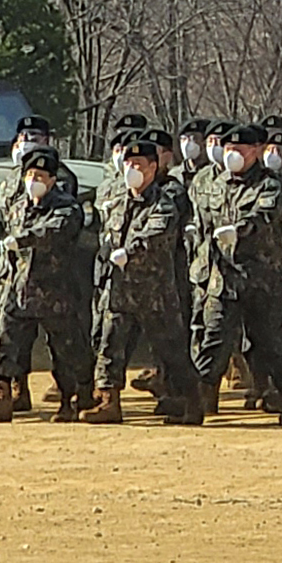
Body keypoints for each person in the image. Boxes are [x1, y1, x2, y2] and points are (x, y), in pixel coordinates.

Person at [91, 127, 203, 425]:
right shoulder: (116, 203)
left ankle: (190, 400)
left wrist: (130, 251)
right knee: (110, 343)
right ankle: (108, 400)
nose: (133, 169)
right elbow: (106, 235)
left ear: (154, 167)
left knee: (170, 349)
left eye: (139, 164)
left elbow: (156, 234)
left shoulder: (163, 203)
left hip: (154, 291)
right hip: (119, 290)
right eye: (129, 164)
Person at [194, 120, 282, 425]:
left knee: (269, 342)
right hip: (222, 278)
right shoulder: (215, 185)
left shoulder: (270, 184)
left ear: (255, 150)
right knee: (213, 339)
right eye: (229, 148)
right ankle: (198, 401)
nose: (233, 154)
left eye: (239, 148)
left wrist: (239, 230)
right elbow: (204, 227)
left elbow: (266, 214)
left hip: (260, 279)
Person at [0, 145, 96, 421]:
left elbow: (53, 231)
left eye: (39, 176)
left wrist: (23, 239)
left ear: (51, 180)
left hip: (55, 292)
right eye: (29, 175)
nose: (33, 181)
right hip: (19, 290)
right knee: (3, 341)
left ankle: (74, 397)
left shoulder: (66, 207)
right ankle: (0, 395)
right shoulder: (18, 208)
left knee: (68, 349)